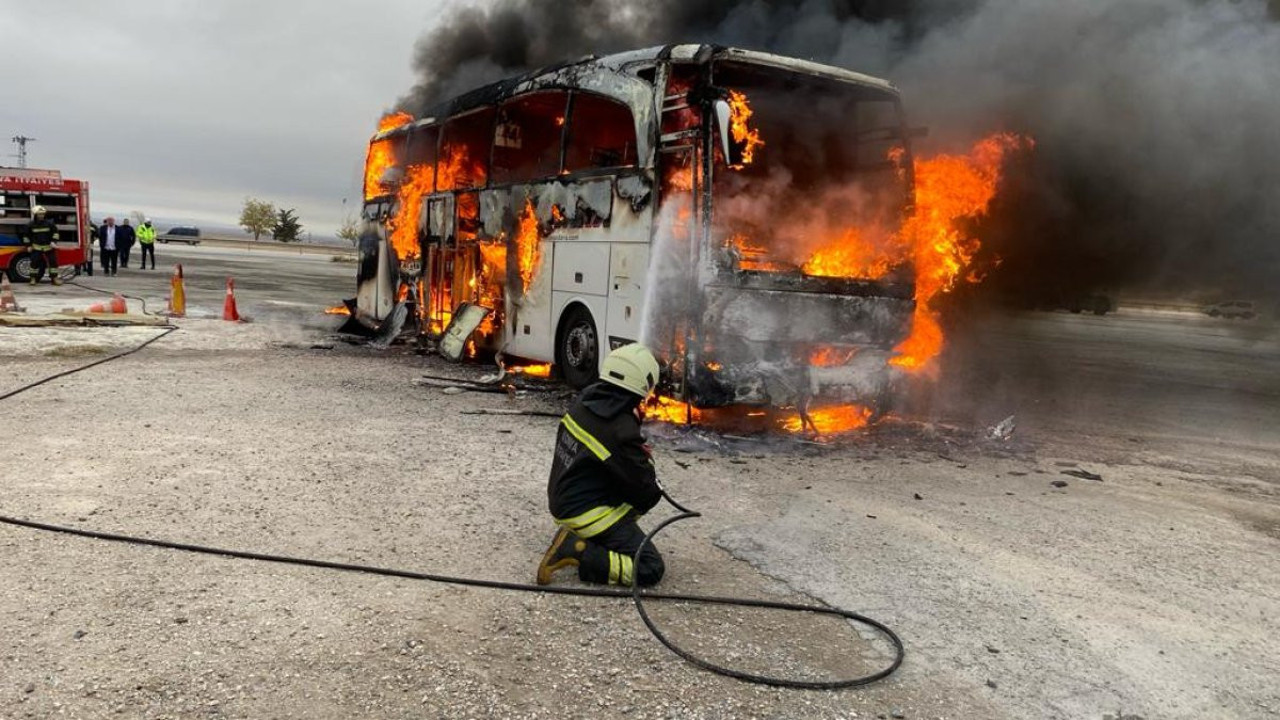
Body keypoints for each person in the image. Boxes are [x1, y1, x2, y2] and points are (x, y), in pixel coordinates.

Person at [536, 344, 666, 588]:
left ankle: (590, 537)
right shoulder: (621, 430)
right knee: (649, 568)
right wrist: (644, 461)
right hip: (585, 512)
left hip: (563, 499)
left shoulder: (585, 400)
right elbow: (646, 493)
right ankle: (577, 549)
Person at [21, 205, 62, 285]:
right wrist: (28, 245)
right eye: (39, 214)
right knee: (34, 263)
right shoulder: (30, 225)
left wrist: (54, 241)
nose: (41, 216)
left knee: (53, 262)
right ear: (36, 215)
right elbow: (25, 236)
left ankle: (54, 278)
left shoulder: (50, 224)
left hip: (48, 247)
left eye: (42, 214)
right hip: (36, 247)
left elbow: (56, 233)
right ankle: (33, 279)